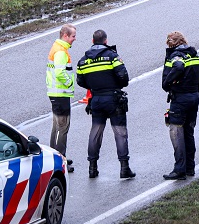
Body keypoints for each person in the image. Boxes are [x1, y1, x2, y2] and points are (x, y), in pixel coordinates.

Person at [76, 29, 134, 179]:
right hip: (113, 99)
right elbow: (124, 77)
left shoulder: (83, 60)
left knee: (95, 132)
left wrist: (94, 86)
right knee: (120, 133)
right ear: (106, 41)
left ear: (92, 41)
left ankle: (92, 168)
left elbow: (80, 81)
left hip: (96, 99)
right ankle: (124, 168)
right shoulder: (112, 56)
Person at [161, 32, 199, 180]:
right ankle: (190, 168)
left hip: (180, 99)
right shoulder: (194, 55)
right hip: (193, 97)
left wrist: (166, 83)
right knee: (189, 132)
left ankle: (179, 169)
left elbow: (179, 67)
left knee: (176, 133)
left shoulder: (176, 56)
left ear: (171, 43)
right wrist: (197, 94)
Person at [45, 24, 77, 173]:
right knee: (62, 128)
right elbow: (60, 73)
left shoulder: (57, 47)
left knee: (56, 127)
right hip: (60, 94)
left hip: (56, 94)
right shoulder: (61, 52)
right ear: (65, 36)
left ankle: (55, 157)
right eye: (73, 36)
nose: (74, 39)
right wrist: (70, 82)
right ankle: (60, 161)